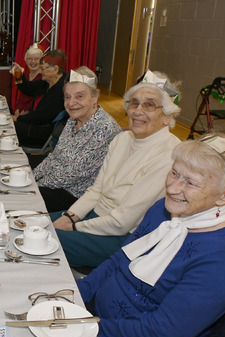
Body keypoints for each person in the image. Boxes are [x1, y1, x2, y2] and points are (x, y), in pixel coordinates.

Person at [78, 135, 225, 337]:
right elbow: (119, 260)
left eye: (190, 183)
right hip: (99, 320)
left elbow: (161, 332)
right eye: (174, 173)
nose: (173, 188)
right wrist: (77, 294)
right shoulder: (163, 210)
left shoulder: (224, 259)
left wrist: (84, 329)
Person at [52, 70, 182, 269]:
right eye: (134, 103)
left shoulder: (169, 156)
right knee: (28, 223)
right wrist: (71, 215)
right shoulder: (122, 139)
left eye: (149, 105)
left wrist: (74, 226)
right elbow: (96, 190)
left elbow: (122, 222)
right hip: (94, 217)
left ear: (167, 116)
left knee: (36, 239)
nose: (138, 111)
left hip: (121, 238)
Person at [33, 67, 121, 212]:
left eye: (79, 96)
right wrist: (32, 176)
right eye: (67, 97)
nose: (71, 103)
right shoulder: (73, 120)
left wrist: (36, 185)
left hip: (77, 198)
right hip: (57, 184)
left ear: (95, 97)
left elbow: (72, 175)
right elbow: (54, 156)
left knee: (21, 199)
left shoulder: (104, 128)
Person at [11, 49, 67, 148]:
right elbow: (27, 88)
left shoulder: (61, 89)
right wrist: (18, 74)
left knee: (7, 127)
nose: (41, 71)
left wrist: (18, 118)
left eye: (44, 68)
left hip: (42, 134)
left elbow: (41, 116)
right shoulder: (46, 83)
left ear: (55, 69)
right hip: (37, 126)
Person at [11, 43, 43, 114]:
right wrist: (17, 109)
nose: (33, 62)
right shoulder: (26, 75)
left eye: (36, 59)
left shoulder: (43, 77)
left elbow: (28, 90)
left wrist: (18, 75)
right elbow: (22, 95)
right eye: (30, 59)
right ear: (25, 60)